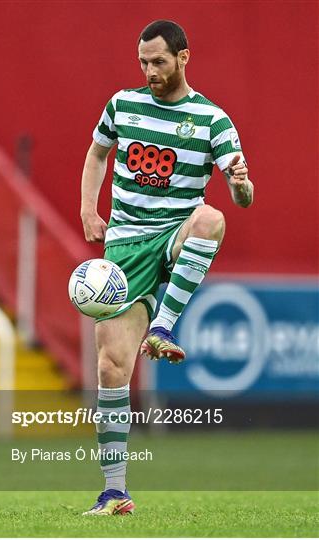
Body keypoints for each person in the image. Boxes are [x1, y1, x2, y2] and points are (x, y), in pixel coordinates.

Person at [80, 19, 253, 515]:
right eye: (142, 62)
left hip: (174, 234)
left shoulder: (212, 119)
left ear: (183, 57)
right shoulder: (123, 104)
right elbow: (97, 154)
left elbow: (242, 198)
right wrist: (89, 210)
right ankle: (114, 492)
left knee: (211, 217)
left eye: (158, 61)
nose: (149, 71)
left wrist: (240, 183)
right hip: (126, 246)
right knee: (111, 368)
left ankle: (164, 325)